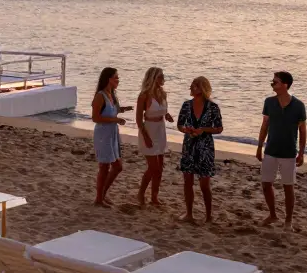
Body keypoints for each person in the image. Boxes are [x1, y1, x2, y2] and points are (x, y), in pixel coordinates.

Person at [256, 71, 307, 229]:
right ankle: (272, 215)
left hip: (289, 152)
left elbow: (303, 131)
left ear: (285, 85)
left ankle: (288, 220)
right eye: (272, 82)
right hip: (270, 150)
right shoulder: (269, 102)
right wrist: (259, 146)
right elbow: (264, 125)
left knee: (288, 187)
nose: (272, 84)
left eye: (275, 82)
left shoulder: (298, 106)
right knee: (266, 184)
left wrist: (301, 153)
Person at [177, 76, 223, 224]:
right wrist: (186, 130)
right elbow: (179, 125)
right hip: (189, 146)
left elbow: (219, 128)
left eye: (194, 86)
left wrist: (203, 130)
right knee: (188, 181)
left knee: (204, 184)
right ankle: (189, 213)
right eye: (191, 85)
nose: (191, 88)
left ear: (202, 88)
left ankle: (208, 216)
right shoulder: (186, 105)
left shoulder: (213, 107)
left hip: (205, 148)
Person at [91, 67, 132, 206]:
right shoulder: (100, 95)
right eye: (116, 77)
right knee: (105, 166)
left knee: (117, 166)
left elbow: (112, 111)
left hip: (112, 134)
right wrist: (115, 120)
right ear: (108, 79)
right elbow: (95, 118)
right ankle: (99, 198)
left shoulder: (112, 95)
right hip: (103, 134)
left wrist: (123, 109)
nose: (118, 80)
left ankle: (102, 195)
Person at [135, 67, 172, 206]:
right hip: (149, 130)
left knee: (160, 167)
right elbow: (139, 119)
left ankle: (154, 197)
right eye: (160, 77)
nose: (163, 79)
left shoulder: (162, 93)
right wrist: (146, 137)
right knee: (153, 167)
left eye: (163, 76)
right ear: (153, 78)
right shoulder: (144, 95)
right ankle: (141, 193)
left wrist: (167, 115)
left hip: (161, 130)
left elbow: (163, 110)